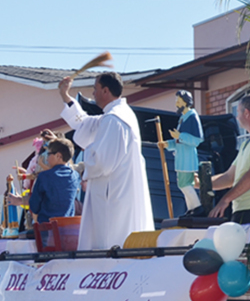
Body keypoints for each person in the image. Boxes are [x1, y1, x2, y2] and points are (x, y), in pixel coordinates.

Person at [58, 72, 154, 250]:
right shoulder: (116, 115)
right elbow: (86, 124)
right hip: (118, 191)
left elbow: (102, 163)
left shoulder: (114, 119)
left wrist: (83, 164)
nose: (93, 94)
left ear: (105, 90)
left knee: (111, 244)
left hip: (114, 196)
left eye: (95, 89)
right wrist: (66, 97)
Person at [208, 93, 250, 223]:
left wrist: (225, 199)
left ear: (247, 113)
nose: (237, 117)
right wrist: (201, 182)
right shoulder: (247, 143)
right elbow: (229, 177)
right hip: (243, 210)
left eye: (238, 112)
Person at [158, 90, 203, 213]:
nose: (176, 104)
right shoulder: (183, 118)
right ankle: (191, 209)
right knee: (183, 184)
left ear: (186, 102)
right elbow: (178, 141)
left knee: (184, 184)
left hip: (187, 159)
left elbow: (197, 140)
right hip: (181, 159)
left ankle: (197, 207)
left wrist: (180, 136)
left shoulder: (192, 117)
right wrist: (167, 144)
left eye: (179, 101)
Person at [21, 138, 80, 225]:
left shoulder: (44, 176)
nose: (47, 157)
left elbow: (34, 206)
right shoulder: (75, 176)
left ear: (58, 156)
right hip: (68, 229)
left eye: (48, 154)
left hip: (48, 229)